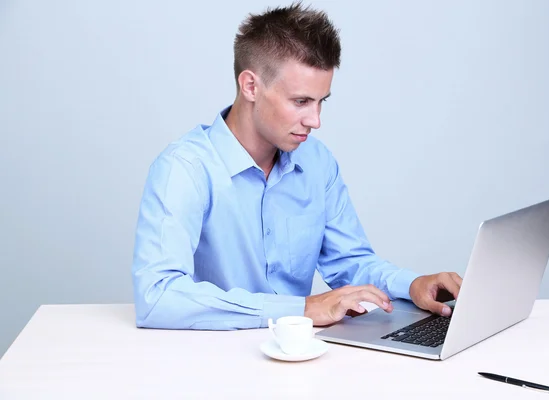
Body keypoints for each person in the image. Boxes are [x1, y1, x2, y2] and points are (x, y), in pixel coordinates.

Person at [131, 2, 463, 331]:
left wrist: (412, 285)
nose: (315, 120)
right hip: (212, 361)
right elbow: (158, 297)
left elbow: (349, 262)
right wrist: (300, 308)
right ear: (251, 86)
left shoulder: (317, 162)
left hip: (300, 361)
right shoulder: (184, 169)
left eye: (322, 102)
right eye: (301, 101)